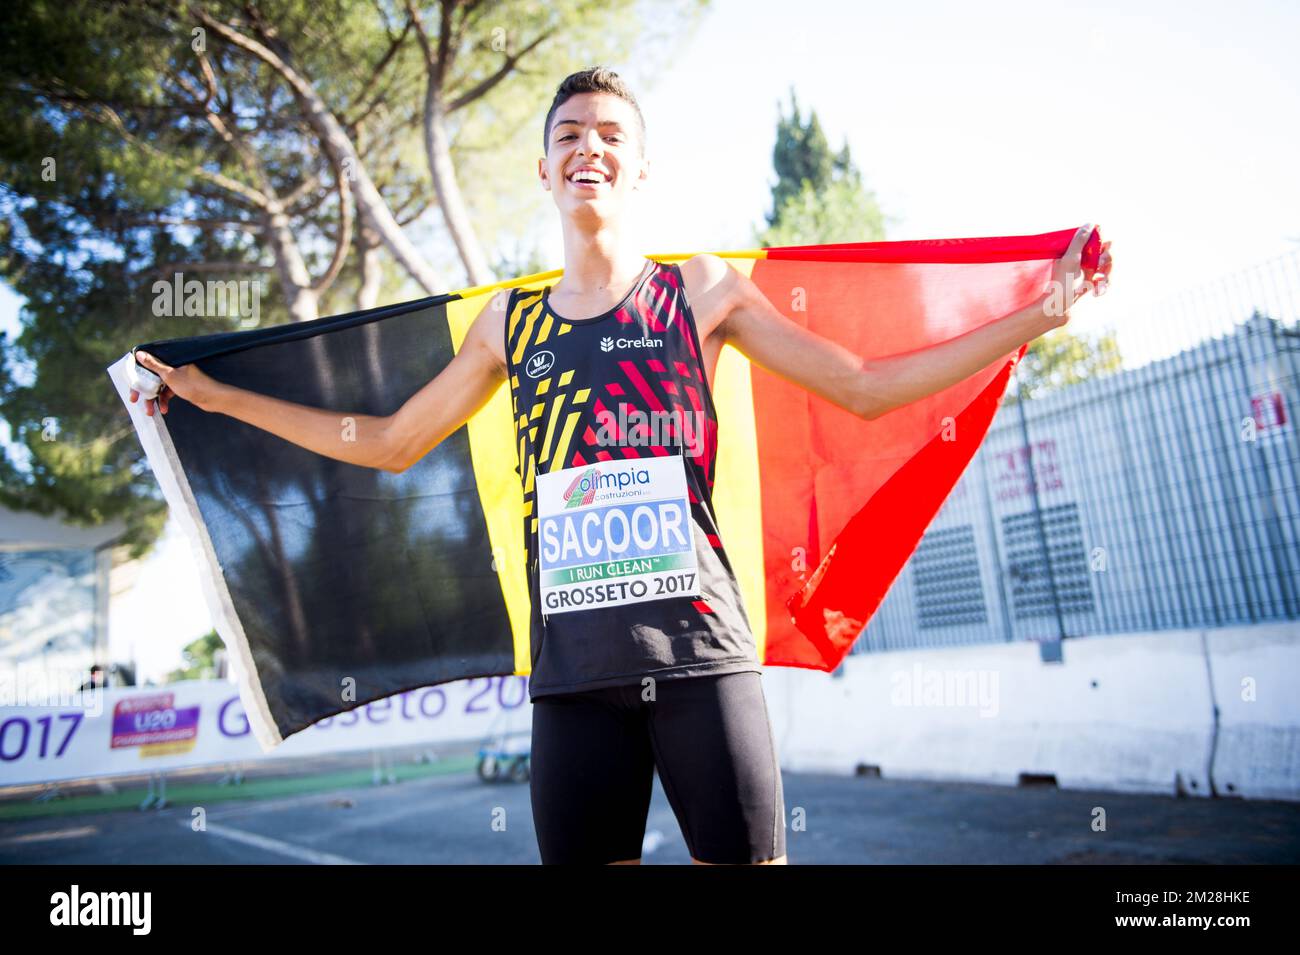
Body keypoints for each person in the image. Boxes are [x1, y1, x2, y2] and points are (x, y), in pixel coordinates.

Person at [128, 67, 1112, 865]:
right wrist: (220, 398)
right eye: (568, 137)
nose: (587, 148)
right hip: (574, 680)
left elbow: (859, 385)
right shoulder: (507, 327)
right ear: (546, 172)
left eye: (609, 136)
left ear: (638, 171)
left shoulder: (703, 290)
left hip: (701, 661)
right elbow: (385, 442)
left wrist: (1036, 315)